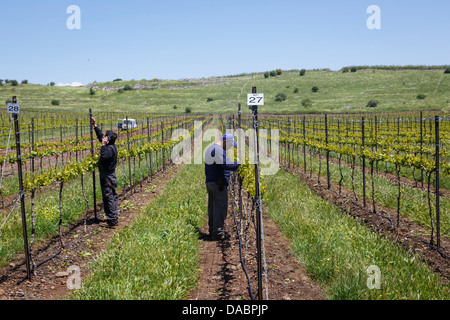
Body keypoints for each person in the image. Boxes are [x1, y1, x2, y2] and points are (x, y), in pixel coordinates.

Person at [204, 133, 240, 240]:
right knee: (220, 208)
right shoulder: (218, 150)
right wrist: (240, 163)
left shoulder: (210, 148)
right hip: (218, 184)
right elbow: (227, 165)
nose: (230, 147)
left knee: (213, 208)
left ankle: (212, 230)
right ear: (224, 142)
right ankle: (218, 233)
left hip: (210, 182)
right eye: (229, 145)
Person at [91, 117, 119, 228]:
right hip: (107, 176)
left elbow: (103, 156)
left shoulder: (109, 149)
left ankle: (112, 221)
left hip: (108, 177)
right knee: (110, 197)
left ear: (108, 139)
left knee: (109, 197)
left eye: (105, 136)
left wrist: (102, 146)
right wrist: (95, 126)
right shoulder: (110, 145)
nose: (103, 137)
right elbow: (100, 136)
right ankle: (112, 218)